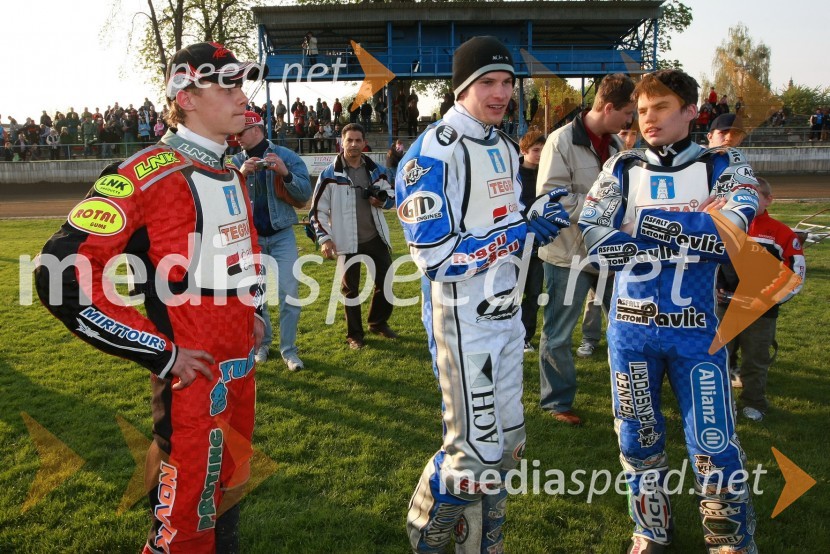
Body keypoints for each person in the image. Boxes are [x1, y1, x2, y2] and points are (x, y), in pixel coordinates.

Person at [34, 41, 266, 553]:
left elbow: (230, 262)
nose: (240, 94)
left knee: (227, 496)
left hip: (238, 372)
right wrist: (159, 351)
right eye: (225, 83)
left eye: (240, 82)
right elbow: (59, 273)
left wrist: (252, 313)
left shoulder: (228, 168)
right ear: (184, 96)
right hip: (191, 385)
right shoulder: (146, 174)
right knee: (184, 522)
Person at [396, 36, 569, 553]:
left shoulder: (500, 146)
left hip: (506, 314)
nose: (500, 93)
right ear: (462, 88)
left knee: (509, 446)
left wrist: (530, 225)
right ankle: (424, 538)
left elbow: (507, 223)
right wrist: (522, 231)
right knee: (472, 451)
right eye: (487, 83)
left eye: (508, 83)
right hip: (461, 321)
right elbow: (437, 259)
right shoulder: (432, 151)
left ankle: (482, 545)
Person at [579, 68, 760, 553]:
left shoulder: (724, 162)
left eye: (660, 108)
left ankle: (729, 538)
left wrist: (649, 227)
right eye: (641, 111)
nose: (648, 119)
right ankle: (651, 529)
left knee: (713, 442)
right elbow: (594, 235)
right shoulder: (622, 166)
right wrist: (688, 228)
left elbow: (733, 233)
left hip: (696, 332)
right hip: (631, 331)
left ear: (689, 111)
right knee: (637, 438)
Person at [536, 73, 636, 425]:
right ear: (608, 107)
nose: (631, 120)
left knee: (626, 326)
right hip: (567, 255)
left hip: (609, 255)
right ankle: (556, 402)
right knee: (559, 334)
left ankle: (631, 396)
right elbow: (551, 199)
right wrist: (606, 209)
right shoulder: (560, 141)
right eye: (627, 112)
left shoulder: (616, 147)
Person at [717, 178, 805, 421]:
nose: (749, 202)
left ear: (768, 200)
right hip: (724, 308)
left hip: (761, 312)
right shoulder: (724, 229)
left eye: (757, 197)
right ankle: (723, 403)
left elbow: (796, 273)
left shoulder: (781, 233)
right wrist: (714, 288)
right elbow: (708, 264)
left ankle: (754, 402)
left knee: (755, 360)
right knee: (719, 357)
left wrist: (769, 299)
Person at [232, 110, 311, 370]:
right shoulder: (233, 161)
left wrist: (285, 173)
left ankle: (289, 350)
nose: (237, 138)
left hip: (282, 234)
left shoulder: (285, 156)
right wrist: (240, 175)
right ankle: (263, 344)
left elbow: (304, 193)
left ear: (256, 129)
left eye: (240, 132)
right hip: (250, 238)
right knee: (257, 296)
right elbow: (224, 200)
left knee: (290, 293)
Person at [310, 123, 397, 350]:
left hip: (374, 236)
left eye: (358, 140)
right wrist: (325, 239)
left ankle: (377, 323)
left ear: (364, 142)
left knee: (386, 282)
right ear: (342, 141)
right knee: (351, 290)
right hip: (346, 240)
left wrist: (383, 201)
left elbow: (392, 197)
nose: (354, 145)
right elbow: (316, 211)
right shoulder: (329, 174)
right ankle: (355, 335)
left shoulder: (376, 170)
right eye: (350, 140)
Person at [518, 129, 547, 351]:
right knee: (512, 292)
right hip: (514, 243)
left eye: (543, 150)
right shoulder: (512, 175)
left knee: (534, 293)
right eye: (536, 150)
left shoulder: (547, 175)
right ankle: (510, 333)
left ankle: (526, 336)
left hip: (539, 243)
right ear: (524, 150)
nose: (540, 154)